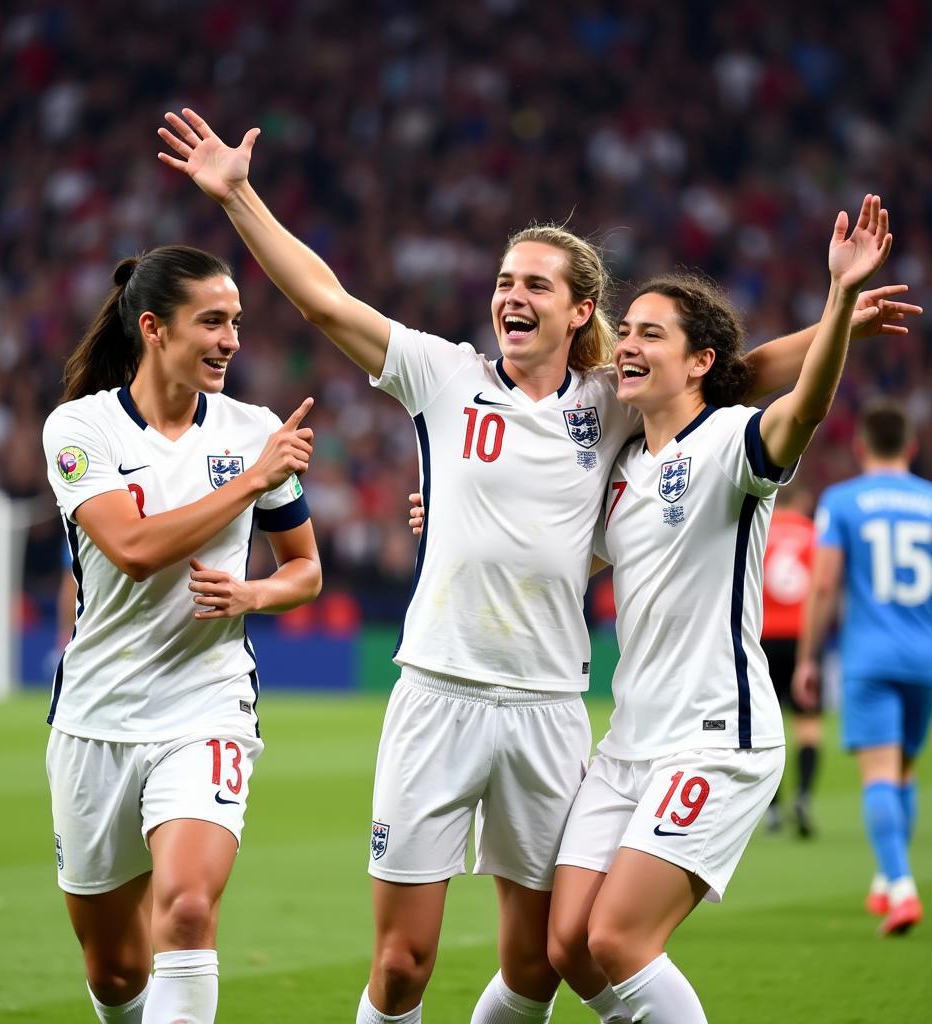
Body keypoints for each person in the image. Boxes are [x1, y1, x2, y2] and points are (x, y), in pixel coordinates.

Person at [156, 110, 918, 1024]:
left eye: (535, 285)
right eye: (503, 281)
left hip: (552, 711)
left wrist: (839, 322)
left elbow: (733, 375)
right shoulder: (445, 376)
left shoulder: (616, 401)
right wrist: (239, 196)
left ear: (579, 311)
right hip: (438, 690)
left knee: (541, 960)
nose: (511, 295)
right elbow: (325, 302)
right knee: (402, 963)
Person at [546, 195, 893, 1022]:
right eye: (624, 330)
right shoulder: (623, 469)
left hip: (715, 738)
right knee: (564, 944)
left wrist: (838, 300)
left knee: (619, 942)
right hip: (630, 741)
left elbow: (802, 406)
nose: (625, 345)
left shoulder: (732, 444)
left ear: (699, 362)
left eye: (649, 334)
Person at [42, 244, 321, 1023]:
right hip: (96, 720)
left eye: (236, 321)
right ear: (155, 329)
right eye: (212, 321)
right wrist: (250, 482)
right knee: (115, 970)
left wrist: (252, 592)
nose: (231, 338)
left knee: (191, 908)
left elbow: (305, 570)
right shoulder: (81, 428)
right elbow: (131, 551)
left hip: (206, 707)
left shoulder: (253, 430)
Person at [793, 398, 932, 936]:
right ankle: (885, 877)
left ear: (861, 445)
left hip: (870, 658)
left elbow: (825, 583)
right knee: (903, 770)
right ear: (912, 447)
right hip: (924, 657)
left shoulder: (843, 501)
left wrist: (808, 657)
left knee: (877, 773)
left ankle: (901, 888)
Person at [760, 483, 822, 837]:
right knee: (808, 725)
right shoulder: (813, 534)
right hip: (803, 640)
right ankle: (802, 796)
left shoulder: (760, 529)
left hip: (762, 638)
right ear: (803, 499)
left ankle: (772, 809)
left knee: (767, 727)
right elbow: (823, 584)